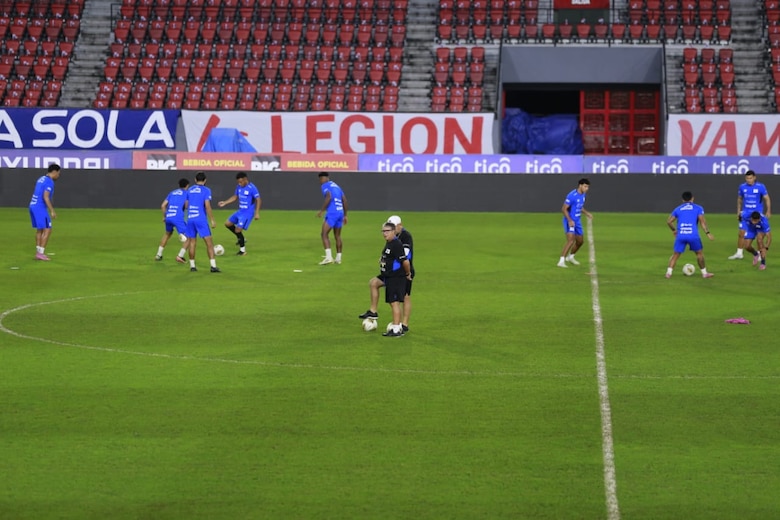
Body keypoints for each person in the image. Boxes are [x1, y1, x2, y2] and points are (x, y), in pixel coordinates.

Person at [359, 215, 414, 333]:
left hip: (400, 273)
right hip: (390, 273)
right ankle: (373, 312)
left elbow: (404, 257)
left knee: (402, 298)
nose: (385, 233)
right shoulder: (391, 239)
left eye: (391, 228)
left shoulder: (404, 237)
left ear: (399, 226)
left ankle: (402, 325)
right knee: (374, 283)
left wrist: (407, 273)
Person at [665, 191, 715, 279]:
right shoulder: (698, 208)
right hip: (693, 235)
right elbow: (702, 222)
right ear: (692, 198)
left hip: (681, 235)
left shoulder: (678, 209)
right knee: (699, 254)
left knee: (675, 255)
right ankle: (704, 273)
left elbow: (669, 221)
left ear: (682, 200)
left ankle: (668, 273)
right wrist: (708, 233)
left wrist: (674, 230)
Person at [375, 222, 412, 337]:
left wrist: (408, 273)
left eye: (387, 231)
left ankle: (396, 329)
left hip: (396, 278)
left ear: (393, 232)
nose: (384, 233)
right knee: (393, 303)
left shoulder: (396, 244)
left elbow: (405, 261)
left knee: (394, 303)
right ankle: (397, 327)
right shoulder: (390, 243)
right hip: (390, 277)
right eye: (383, 231)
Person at [180, 171, 220, 273]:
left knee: (192, 242)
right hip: (200, 219)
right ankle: (213, 266)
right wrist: (212, 220)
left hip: (190, 219)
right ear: (205, 180)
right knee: (209, 243)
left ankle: (192, 266)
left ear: (195, 180)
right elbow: (207, 205)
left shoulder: (190, 190)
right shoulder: (206, 190)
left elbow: (186, 205)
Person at [729, 170, 771, 260]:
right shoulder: (742, 187)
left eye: (750, 178)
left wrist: (768, 210)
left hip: (756, 215)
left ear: (754, 177)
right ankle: (739, 253)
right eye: (747, 178)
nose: (749, 180)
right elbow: (739, 199)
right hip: (745, 214)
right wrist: (738, 211)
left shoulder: (760, 187)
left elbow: (767, 198)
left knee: (759, 236)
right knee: (741, 233)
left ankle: (760, 254)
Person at [217, 171, 261, 256]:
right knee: (228, 224)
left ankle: (243, 251)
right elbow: (235, 197)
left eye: (241, 182)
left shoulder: (252, 188)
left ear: (245, 179)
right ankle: (242, 238)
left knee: (238, 230)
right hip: (240, 211)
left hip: (247, 213)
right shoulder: (239, 187)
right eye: (238, 182)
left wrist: (257, 213)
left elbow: (258, 200)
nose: (239, 184)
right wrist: (225, 202)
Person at [29, 163, 61, 261]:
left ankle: (38, 253)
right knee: (48, 229)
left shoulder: (41, 178)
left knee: (40, 229)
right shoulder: (49, 182)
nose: (58, 175)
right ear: (54, 172)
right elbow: (45, 197)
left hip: (32, 205)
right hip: (39, 207)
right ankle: (41, 253)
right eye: (58, 173)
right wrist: (52, 211)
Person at [558, 178, 592, 268]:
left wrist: (587, 213)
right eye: (585, 186)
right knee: (571, 240)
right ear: (580, 185)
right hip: (569, 220)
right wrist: (569, 220)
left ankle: (571, 257)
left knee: (580, 241)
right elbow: (564, 209)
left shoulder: (583, 195)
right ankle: (561, 261)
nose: (587, 189)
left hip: (577, 221)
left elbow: (579, 207)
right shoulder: (571, 195)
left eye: (588, 187)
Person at [316, 171, 348, 265]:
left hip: (332, 213)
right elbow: (344, 200)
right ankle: (338, 259)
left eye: (320, 180)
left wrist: (322, 210)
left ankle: (328, 258)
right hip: (340, 212)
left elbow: (329, 197)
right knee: (337, 236)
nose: (320, 182)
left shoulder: (325, 185)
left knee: (324, 234)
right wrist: (345, 215)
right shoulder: (337, 186)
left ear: (322, 178)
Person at [155, 178, 190, 261]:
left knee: (167, 234)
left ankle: (158, 255)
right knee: (190, 236)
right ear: (187, 185)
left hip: (169, 216)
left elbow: (163, 205)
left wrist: (165, 216)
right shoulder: (187, 193)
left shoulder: (172, 193)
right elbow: (186, 206)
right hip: (177, 217)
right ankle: (180, 256)